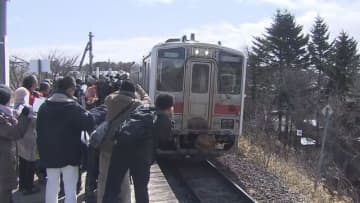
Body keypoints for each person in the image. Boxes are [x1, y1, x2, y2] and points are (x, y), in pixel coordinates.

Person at [103, 94, 174, 203]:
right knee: (141, 190)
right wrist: (170, 120)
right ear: (169, 107)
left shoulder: (142, 109)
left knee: (112, 187)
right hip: (141, 157)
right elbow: (166, 141)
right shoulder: (163, 118)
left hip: (120, 149)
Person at [36, 76, 95, 203]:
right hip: (70, 155)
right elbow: (89, 123)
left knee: (52, 185)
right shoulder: (74, 107)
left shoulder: (44, 107)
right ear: (70, 89)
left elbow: (38, 131)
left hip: (49, 154)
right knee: (70, 188)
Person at [97, 80, 149, 203]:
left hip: (106, 144)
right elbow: (148, 103)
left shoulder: (109, 99)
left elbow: (115, 94)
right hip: (123, 147)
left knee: (103, 178)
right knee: (124, 180)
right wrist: (141, 91)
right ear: (132, 92)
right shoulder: (137, 104)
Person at [0, 84, 31, 203]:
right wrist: (24, 116)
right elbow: (15, 133)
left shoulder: (5, 114)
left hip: (5, 161)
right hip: (3, 164)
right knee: (4, 193)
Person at [16, 75, 40, 195]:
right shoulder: (26, 94)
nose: (37, 83)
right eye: (35, 82)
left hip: (21, 131)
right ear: (32, 83)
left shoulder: (23, 93)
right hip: (29, 130)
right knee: (30, 160)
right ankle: (28, 187)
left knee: (23, 159)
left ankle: (22, 185)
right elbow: (30, 113)